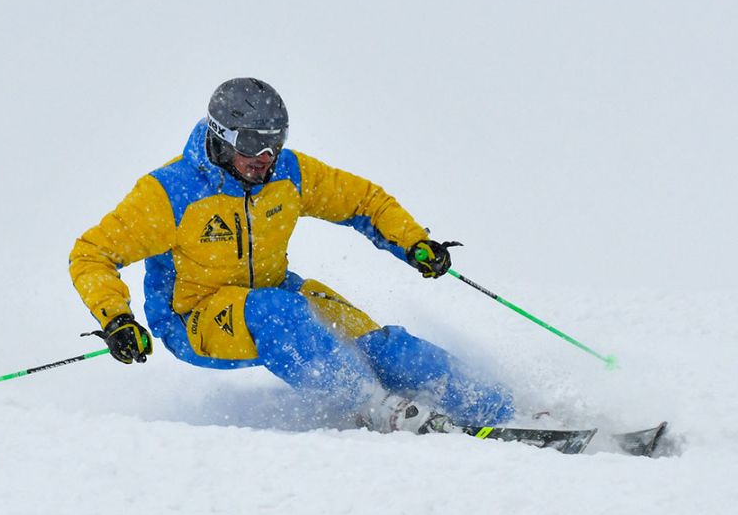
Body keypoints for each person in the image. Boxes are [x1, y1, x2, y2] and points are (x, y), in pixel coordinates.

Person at [69, 77, 514, 433]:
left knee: (378, 344)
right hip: (195, 316)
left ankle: (503, 408)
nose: (264, 157)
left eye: (273, 142)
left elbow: (362, 200)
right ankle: (377, 409)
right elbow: (92, 253)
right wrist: (117, 320)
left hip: (274, 294)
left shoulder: (288, 172)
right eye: (251, 144)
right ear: (222, 137)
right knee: (278, 311)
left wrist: (413, 242)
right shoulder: (171, 192)